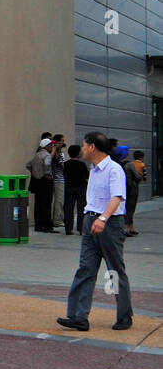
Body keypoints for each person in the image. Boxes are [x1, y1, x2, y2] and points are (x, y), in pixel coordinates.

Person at [57, 131, 133, 332]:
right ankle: (78, 316)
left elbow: (117, 197)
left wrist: (102, 218)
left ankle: (124, 315)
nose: (82, 149)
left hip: (109, 223)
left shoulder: (113, 169)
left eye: (83, 145)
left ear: (92, 147)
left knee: (114, 271)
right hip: (91, 219)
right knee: (85, 268)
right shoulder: (94, 169)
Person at [27, 136, 54, 233]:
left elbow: (28, 165)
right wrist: (47, 174)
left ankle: (38, 225)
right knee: (47, 203)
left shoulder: (37, 155)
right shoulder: (47, 155)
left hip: (36, 181)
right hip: (45, 181)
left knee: (38, 204)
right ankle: (47, 225)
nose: (52, 147)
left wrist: (35, 172)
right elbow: (47, 165)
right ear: (46, 146)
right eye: (51, 145)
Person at [62, 143, 89, 234]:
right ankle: (81, 228)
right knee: (81, 209)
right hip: (81, 187)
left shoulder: (65, 164)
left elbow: (64, 175)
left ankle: (68, 228)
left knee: (68, 208)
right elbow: (87, 175)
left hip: (69, 187)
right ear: (78, 154)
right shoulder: (82, 164)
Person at [116, 145, 141, 236]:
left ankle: (131, 226)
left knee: (124, 207)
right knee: (130, 208)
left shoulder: (116, 164)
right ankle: (126, 228)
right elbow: (137, 177)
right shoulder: (130, 164)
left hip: (121, 188)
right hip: (131, 188)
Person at [50, 134, 66, 231]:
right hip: (58, 179)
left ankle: (56, 218)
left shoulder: (57, 152)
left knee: (56, 200)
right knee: (59, 200)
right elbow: (62, 166)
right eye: (62, 141)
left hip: (55, 179)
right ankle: (57, 220)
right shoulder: (56, 153)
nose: (63, 143)